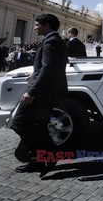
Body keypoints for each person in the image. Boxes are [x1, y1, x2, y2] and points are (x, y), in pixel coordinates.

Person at [11, 14, 68, 178]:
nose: (35, 28)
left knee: (19, 123)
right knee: (38, 125)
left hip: (41, 92)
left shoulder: (51, 42)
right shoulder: (56, 41)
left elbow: (48, 68)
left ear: (47, 26)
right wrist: (35, 73)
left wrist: (32, 92)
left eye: (37, 25)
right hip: (48, 90)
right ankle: (41, 160)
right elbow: (50, 67)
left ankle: (47, 154)